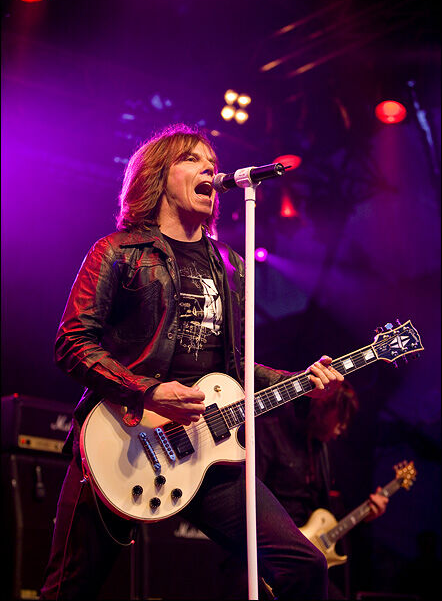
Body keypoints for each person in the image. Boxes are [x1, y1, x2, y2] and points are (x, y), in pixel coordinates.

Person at [39, 123, 345, 600]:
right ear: (157, 176)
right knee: (68, 590)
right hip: (122, 442)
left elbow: (237, 365)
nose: (209, 168)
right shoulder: (118, 251)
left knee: (304, 565)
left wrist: (302, 381)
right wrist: (148, 391)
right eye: (192, 159)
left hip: (208, 448)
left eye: (212, 162)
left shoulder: (231, 265)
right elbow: (72, 343)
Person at [250, 380, 389, 599]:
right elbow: (251, 499)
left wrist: (365, 515)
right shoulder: (270, 432)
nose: (342, 428)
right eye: (341, 417)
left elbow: (324, 511)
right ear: (324, 407)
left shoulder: (321, 448)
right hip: (270, 555)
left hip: (305, 557)